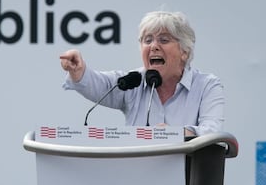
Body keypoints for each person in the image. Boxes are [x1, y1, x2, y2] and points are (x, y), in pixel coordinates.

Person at [59, 10, 224, 136]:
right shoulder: (133, 81)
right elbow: (101, 84)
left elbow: (212, 132)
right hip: (135, 176)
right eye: (148, 40)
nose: (154, 46)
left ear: (185, 52)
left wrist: (175, 135)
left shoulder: (207, 85)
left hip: (188, 176)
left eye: (164, 40)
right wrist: (78, 70)